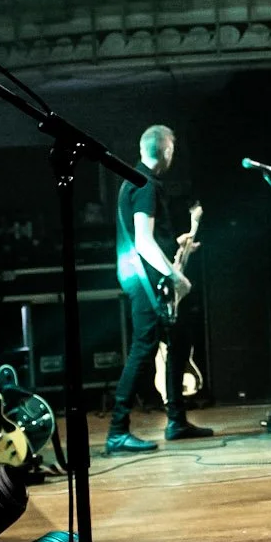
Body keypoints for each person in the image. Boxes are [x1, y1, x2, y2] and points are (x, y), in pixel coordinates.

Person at [108, 124, 212, 454]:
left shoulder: (132, 181)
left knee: (180, 340)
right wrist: (175, 275)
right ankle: (117, 430)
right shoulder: (146, 185)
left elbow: (148, 237)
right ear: (167, 151)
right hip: (146, 281)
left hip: (143, 277)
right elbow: (142, 241)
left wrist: (174, 247)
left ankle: (176, 420)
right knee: (144, 347)